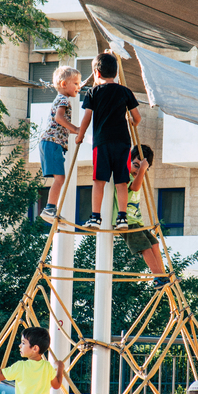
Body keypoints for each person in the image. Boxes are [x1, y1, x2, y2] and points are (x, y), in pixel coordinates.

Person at [75, 52, 141, 230]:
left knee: (99, 180)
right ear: (116, 73)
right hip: (123, 143)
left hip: (102, 142)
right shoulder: (125, 91)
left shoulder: (93, 92)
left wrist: (80, 135)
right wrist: (132, 122)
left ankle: (96, 217)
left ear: (96, 73)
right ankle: (122, 218)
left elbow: (87, 118)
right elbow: (137, 117)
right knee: (121, 181)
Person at [112, 144, 168, 288]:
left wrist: (143, 169)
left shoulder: (137, 176)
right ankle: (158, 276)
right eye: (135, 165)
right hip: (126, 223)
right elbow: (135, 187)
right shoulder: (125, 175)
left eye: (141, 167)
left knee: (154, 243)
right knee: (145, 247)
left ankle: (161, 275)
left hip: (136, 222)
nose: (137, 170)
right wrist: (142, 170)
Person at [40, 66, 81, 224]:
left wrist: (74, 131)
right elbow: (59, 119)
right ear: (64, 84)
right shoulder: (63, 100)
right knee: (60, 179)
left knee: (59, 178)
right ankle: (49, 208)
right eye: (75, 84)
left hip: (50, 143)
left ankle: (51, 208)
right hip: (52, 143)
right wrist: (76, 129)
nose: (78, 87)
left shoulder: (60, 99)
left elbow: (59, 126)